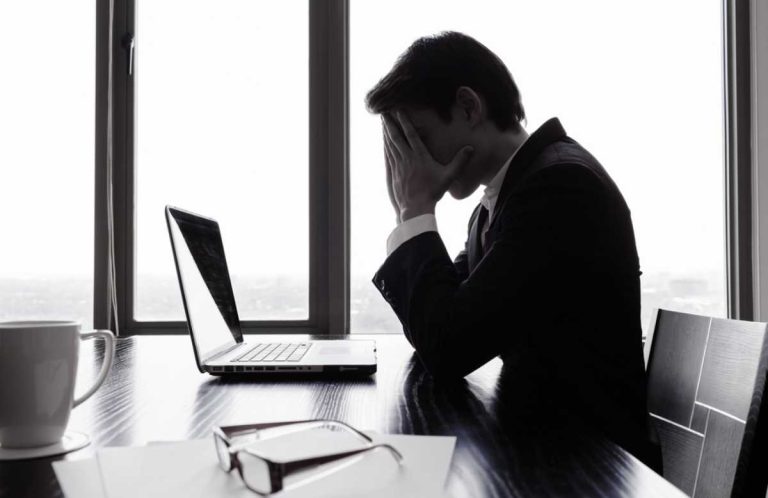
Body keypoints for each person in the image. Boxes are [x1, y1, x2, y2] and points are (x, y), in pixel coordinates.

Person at [365, 31, 660, 470]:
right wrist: (411, 214)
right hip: (548, 450)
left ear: (468, 107)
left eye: (416, 137)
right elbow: (439, 327)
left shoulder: (557, 189)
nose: (410, 163)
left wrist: (415, 210)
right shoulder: (506, 196)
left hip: (591, 470)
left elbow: (448, 348)